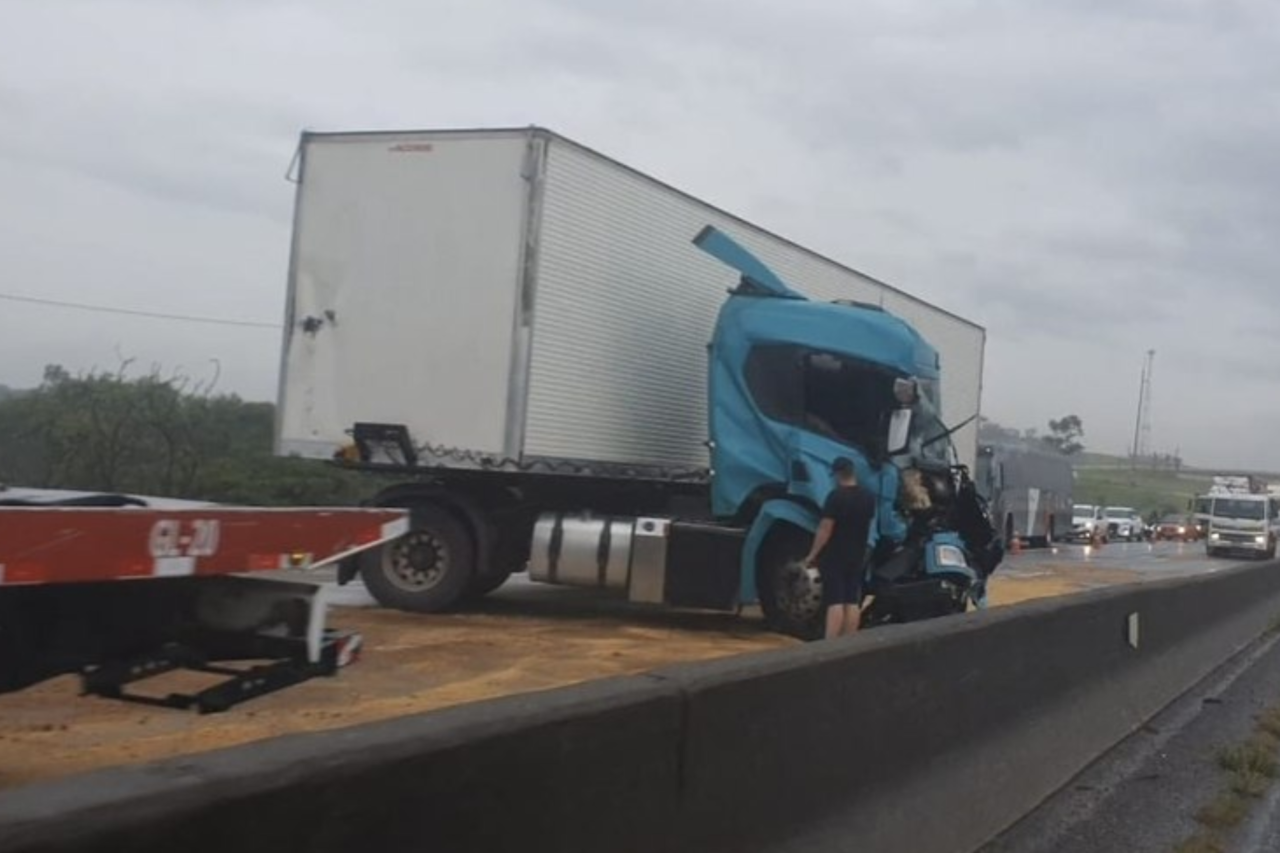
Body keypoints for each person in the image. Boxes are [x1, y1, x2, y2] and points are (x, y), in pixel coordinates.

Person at [804, 457, 877, 639]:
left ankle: (831, 642)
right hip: (858, 553)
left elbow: (825, 529)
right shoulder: (868, 497)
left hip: (836, 553)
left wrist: (812, 554)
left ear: (837, 474)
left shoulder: (835, 497)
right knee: (852, 600)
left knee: (835, 600)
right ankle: (849, 640)